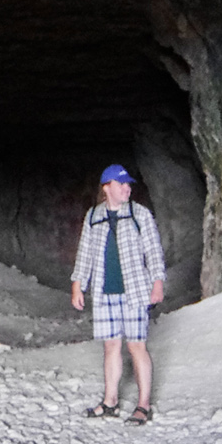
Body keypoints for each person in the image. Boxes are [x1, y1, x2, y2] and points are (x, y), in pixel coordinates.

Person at [69, 163, 166, 420]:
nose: (127, 188)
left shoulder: (139, 214)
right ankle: (110, 401)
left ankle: (143, 405)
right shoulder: (94, 216)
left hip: (135, 291)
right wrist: (78, 285)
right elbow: (85, 254)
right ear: (107, 187)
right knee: (111, 346)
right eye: (121, 184)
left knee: (136, 346)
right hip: (104, 292)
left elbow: (153, 250)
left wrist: (157, 282)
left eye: (128, 184)